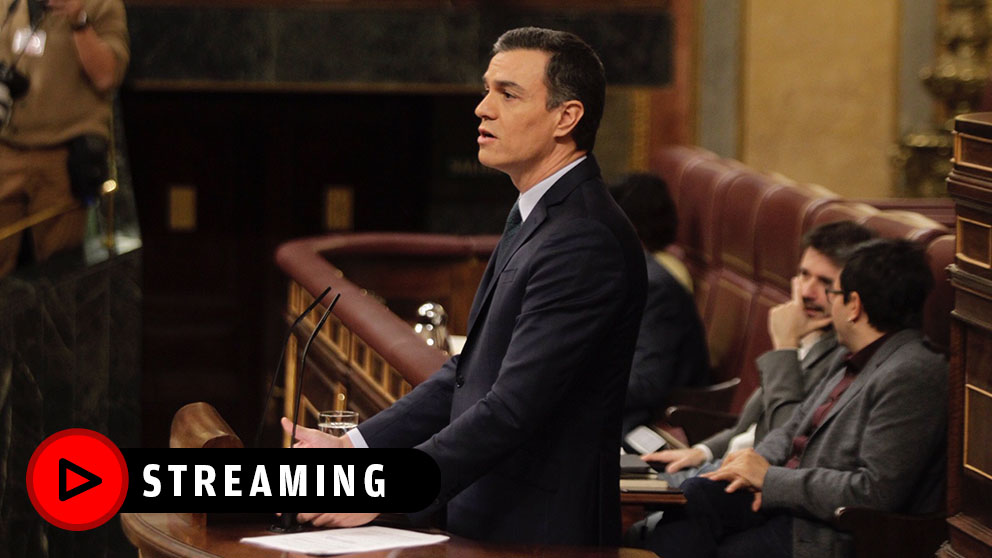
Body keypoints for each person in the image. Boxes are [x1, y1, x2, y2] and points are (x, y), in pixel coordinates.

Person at [282, 27, 647, 546]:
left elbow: (513, 407)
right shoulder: (537, 212)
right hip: (487, 519)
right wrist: (357, 448)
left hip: (539, 537)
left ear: (566, 117)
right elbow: (468, 371)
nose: (482, 108)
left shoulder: (584, 238)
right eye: (486, 90)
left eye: (508, 94)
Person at [645, 238, 947, 558]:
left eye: (834, 294)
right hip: (783, 505)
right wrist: (753, 466)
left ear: (854, 305)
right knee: (696, 496)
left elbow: (874, 491)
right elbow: (790, 429)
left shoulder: (914, 372)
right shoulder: (851, 354)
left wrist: (770, 479)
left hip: (826, 531)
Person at [639, 221, 874, 484]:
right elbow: (749, 426)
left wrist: (785, 346)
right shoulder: (809, 332)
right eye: (804, 275)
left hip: (755, 483)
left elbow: (789, 441)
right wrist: (701, 451)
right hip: (721, 464)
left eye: (824, 282)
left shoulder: (846, 356)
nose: (807, 292)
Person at [0, 0, 129, 276]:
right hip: (7, 151)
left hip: (61, 158)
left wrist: (78, 21)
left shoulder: (101, 5)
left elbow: (107, 76)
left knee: (58, 273)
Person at [608, 173, 710, 438]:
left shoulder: (654, 286)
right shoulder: (633, 271)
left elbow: (647, 383)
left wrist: (573, 384)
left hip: (647, 425)